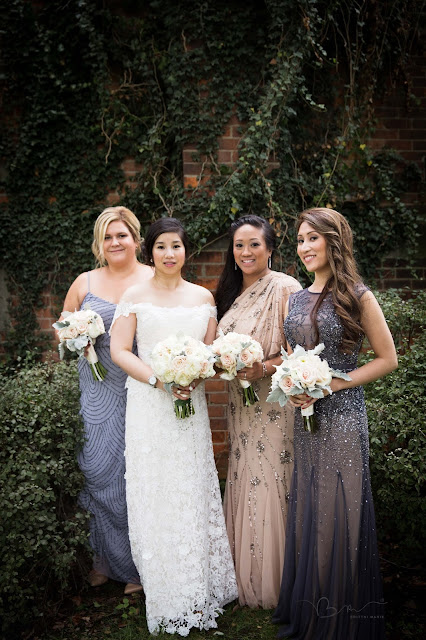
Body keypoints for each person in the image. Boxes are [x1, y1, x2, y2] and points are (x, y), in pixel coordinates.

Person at [272, 207, 398, 640]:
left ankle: (341, 615)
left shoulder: (358, 295)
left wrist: (330, 386)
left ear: (333, 241)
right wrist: (292, 380)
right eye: (300, 240)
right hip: (306, 416)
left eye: (312, 239)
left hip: (342, 416)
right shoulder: (296, 296)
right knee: (310, 504)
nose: (304, 247)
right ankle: (312, 608)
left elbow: (388, 359)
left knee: (338, 510)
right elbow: (292, 349)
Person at [109, 217, 238, 636]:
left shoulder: (203, 297)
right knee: (157, 491)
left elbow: (211, 352)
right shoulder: (135, 294)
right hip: (150, 405)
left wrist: (194, 377)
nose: (169, 254)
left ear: (187, 251)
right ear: (150, 251)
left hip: (190, 405)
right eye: (161, 246)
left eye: (176, 246)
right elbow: (119, 350)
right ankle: (166, 592)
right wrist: (160, 379)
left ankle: (199, 586)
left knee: (191, 487)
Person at [61, 205, 152, 594]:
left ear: (136, 239)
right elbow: (62, 326)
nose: (116, 242)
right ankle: (102, 560)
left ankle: (137, 568)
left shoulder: (153, 277)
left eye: (122, 235)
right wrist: (74, 336)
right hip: (96, 392)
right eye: (108, 237)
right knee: (98, 472)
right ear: (100, 244)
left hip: (140, 390)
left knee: (138, 474)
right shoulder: (85, 282)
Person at [215, 214, 302, 609]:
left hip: (273, 404)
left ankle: (279, 578)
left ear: (269, 248)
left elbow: (297, 351)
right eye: (239, 245)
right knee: (244, 474)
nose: (246, 252)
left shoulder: (285, 287)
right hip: (240, 405)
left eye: (254, 244)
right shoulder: (227, 295)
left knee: (270, 478)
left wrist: (262, 368)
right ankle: (242, 572)